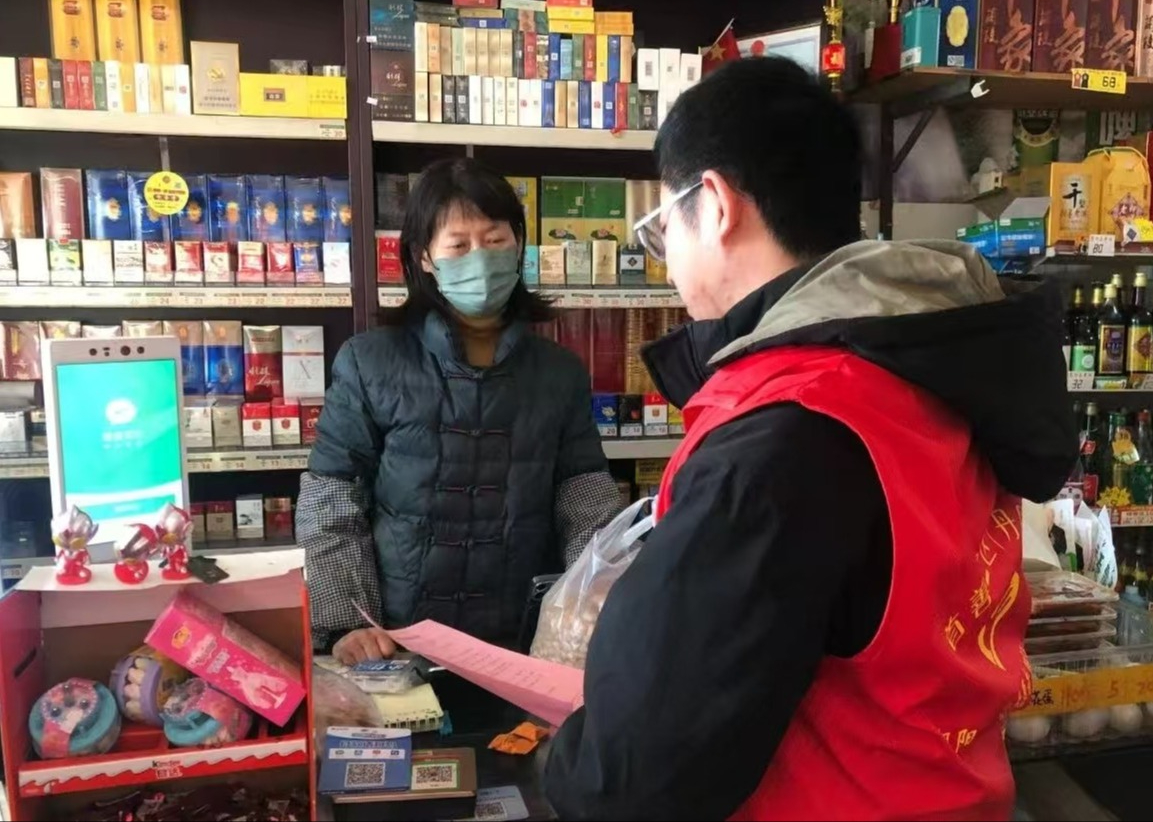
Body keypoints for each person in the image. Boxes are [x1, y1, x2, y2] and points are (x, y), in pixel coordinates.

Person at [544, 57, 1077, 820]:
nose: (667, 257)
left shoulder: (784, 431)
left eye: (663, 226)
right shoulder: (925, 359)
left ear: (715, 205)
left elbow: (637, 775)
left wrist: (559, 755)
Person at [297, 158, 622, 664]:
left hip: (525, 644)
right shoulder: (370, 362)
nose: (480, 258)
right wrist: (348, 623)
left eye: (495, 240)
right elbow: (331, 501)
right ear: (424, 256)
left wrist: (592, 604)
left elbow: (586, 503)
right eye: (458, 245)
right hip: (396, 644)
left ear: (518, 244)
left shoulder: (559, 372)